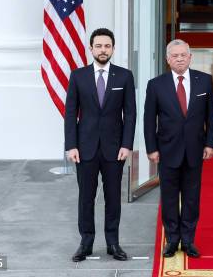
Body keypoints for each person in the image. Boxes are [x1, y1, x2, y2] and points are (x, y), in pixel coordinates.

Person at [65, 28, 136, 262]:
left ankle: (113, 243)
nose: (103, 50)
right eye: (99, 46)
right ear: (91, 48)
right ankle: (86, 242)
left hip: (114, 149)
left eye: (107, 46)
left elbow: (130, 114)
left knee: (113, 198)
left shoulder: (124, 76)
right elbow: (70, 114)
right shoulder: (78, 76)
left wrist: (127, 144)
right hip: (84, 148)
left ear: (113, 49)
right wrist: (71, 145)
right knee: (86, 197)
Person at [144, 39, 213, 258]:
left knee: (192, 198)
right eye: (174, 56)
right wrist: (151, 148)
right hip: (167, 150)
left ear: (190, 57)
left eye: (183, 55)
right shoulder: (156, 84)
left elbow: (210, 117)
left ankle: (188, 240)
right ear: (168, 60)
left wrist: (210, 143)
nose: (179, 59)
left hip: (195, 149)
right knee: (169, 197)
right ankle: (172, 239)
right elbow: (149, 120)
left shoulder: (204, 81)